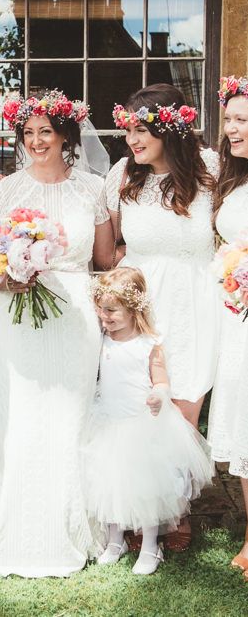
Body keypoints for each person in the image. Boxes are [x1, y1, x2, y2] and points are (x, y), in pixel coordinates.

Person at [0, 90, 114, 578]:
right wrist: (7, 274)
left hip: (76, 313)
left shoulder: (92, 189)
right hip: (19, 313)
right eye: (29, 132)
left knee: (72, 413)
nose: (37, 141)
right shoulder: (4, 191)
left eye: (46, 132)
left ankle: (76, 526)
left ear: (66, 137)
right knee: (24, 412)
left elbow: (103, 260)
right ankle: (21, 526)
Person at [105, 83, 219, 551]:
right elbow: (112, 248)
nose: (131, 139)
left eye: (141, 128)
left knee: (184, 407)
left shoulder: (211, 169)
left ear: (170, 128)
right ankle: (139, 507)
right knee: (140, 405)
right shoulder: (121, 176)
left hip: (196, 300)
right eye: (128, 129)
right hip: (143, 305)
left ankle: (176, 508)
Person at [83, 267, 214, 575]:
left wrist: (159, 395)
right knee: (110, 482)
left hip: (142, 425)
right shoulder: (103, 340)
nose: (105, 316)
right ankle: (116, 540)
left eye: (112, 310)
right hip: (110, 423)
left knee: (147, 489)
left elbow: (162, 380)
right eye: (101, 309)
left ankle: (151, 545)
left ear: (134, 309)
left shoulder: (149, 343)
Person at [208, 75, 248, 580]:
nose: (232, 128)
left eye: (241, 120)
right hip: (238, 316)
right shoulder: (231, 180)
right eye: (230, 120)